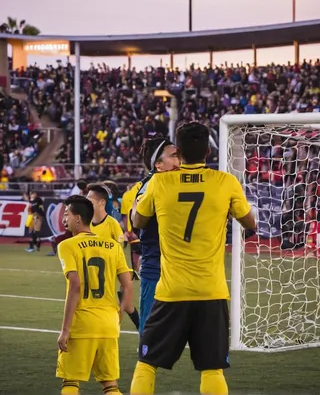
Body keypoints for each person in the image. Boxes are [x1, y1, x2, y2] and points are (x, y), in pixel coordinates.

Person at [130, 122, 257, 395]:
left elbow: (138, 220)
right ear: (208, 152)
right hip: (211, 290)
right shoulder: (225, 182)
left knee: (146, 363)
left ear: (180, 153)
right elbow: (250, 222)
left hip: (171, 291)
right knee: (212, 368)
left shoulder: (159, 182)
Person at [56, 195, 133, 395]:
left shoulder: (67, 245)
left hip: (82, 323)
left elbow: (75, 285)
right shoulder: (113, 247)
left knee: (70, 382)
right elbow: (127, 285)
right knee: (110, 385)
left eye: (67, 214)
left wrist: (65, 330)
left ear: (79, 219)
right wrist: (120, 313)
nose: (64, 219)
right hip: (109, 323)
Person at [135, 137, 179, 335]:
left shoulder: (182, 183)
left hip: (183, 268)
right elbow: (137, 221)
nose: (180, 161)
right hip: (157, 268)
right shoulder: (148, 186)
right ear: (158, 165)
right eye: (174, 156)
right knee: (150, 334)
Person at [87, 182, 140, 330]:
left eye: (90, 200)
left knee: (127, 306)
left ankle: (145, 335)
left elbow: (119, 245)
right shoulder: (86, 223)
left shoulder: (112, 223)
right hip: (92, 271)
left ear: (102, 202)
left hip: (112, 269)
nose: (87, 203)